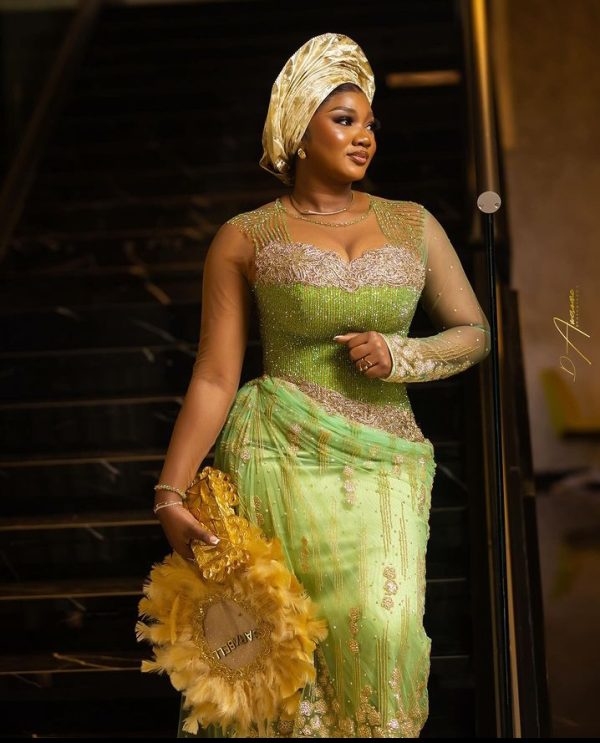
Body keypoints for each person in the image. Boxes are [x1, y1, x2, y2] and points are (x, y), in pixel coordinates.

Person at [152, 32, 491, 738]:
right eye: (344, 120)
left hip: (387, 461)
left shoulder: (413, 224)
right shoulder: (245, 237)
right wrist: (170, 491)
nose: (365, 136)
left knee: (387, 628)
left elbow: (474, 333)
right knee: (279, 653)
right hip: (277, 456)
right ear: (300, 131)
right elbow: (215, 373)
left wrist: (401, 355)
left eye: (370, 123)